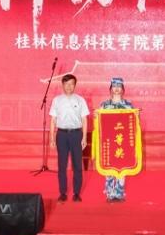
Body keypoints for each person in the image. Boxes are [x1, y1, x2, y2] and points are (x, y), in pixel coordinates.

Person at [49, 73, 89, 202]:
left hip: (76, 134)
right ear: (62, 85)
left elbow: (84, 119)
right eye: (66, 84)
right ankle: (63, 192)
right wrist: (51, 138)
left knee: (77, 165)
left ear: (75, 85)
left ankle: (76, 193)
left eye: (71, 84)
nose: (69, 86)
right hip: (61, 135)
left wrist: (84, 138)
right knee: (62, 165)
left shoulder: (80, 100)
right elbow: (53, 120)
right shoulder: (57, 100)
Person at [96, 77, 133, 202]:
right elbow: (99, 123)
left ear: (123, 89)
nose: (116, 89)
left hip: (123, 141)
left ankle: (119, 193)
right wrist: (97, 116)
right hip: (109, 141)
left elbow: (132, 123)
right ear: (110, 89)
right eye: (114, 86)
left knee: (122, 167)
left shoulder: (128, 105)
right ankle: (110, 193)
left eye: (119, 86)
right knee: (109, 167)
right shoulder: (105, 105)